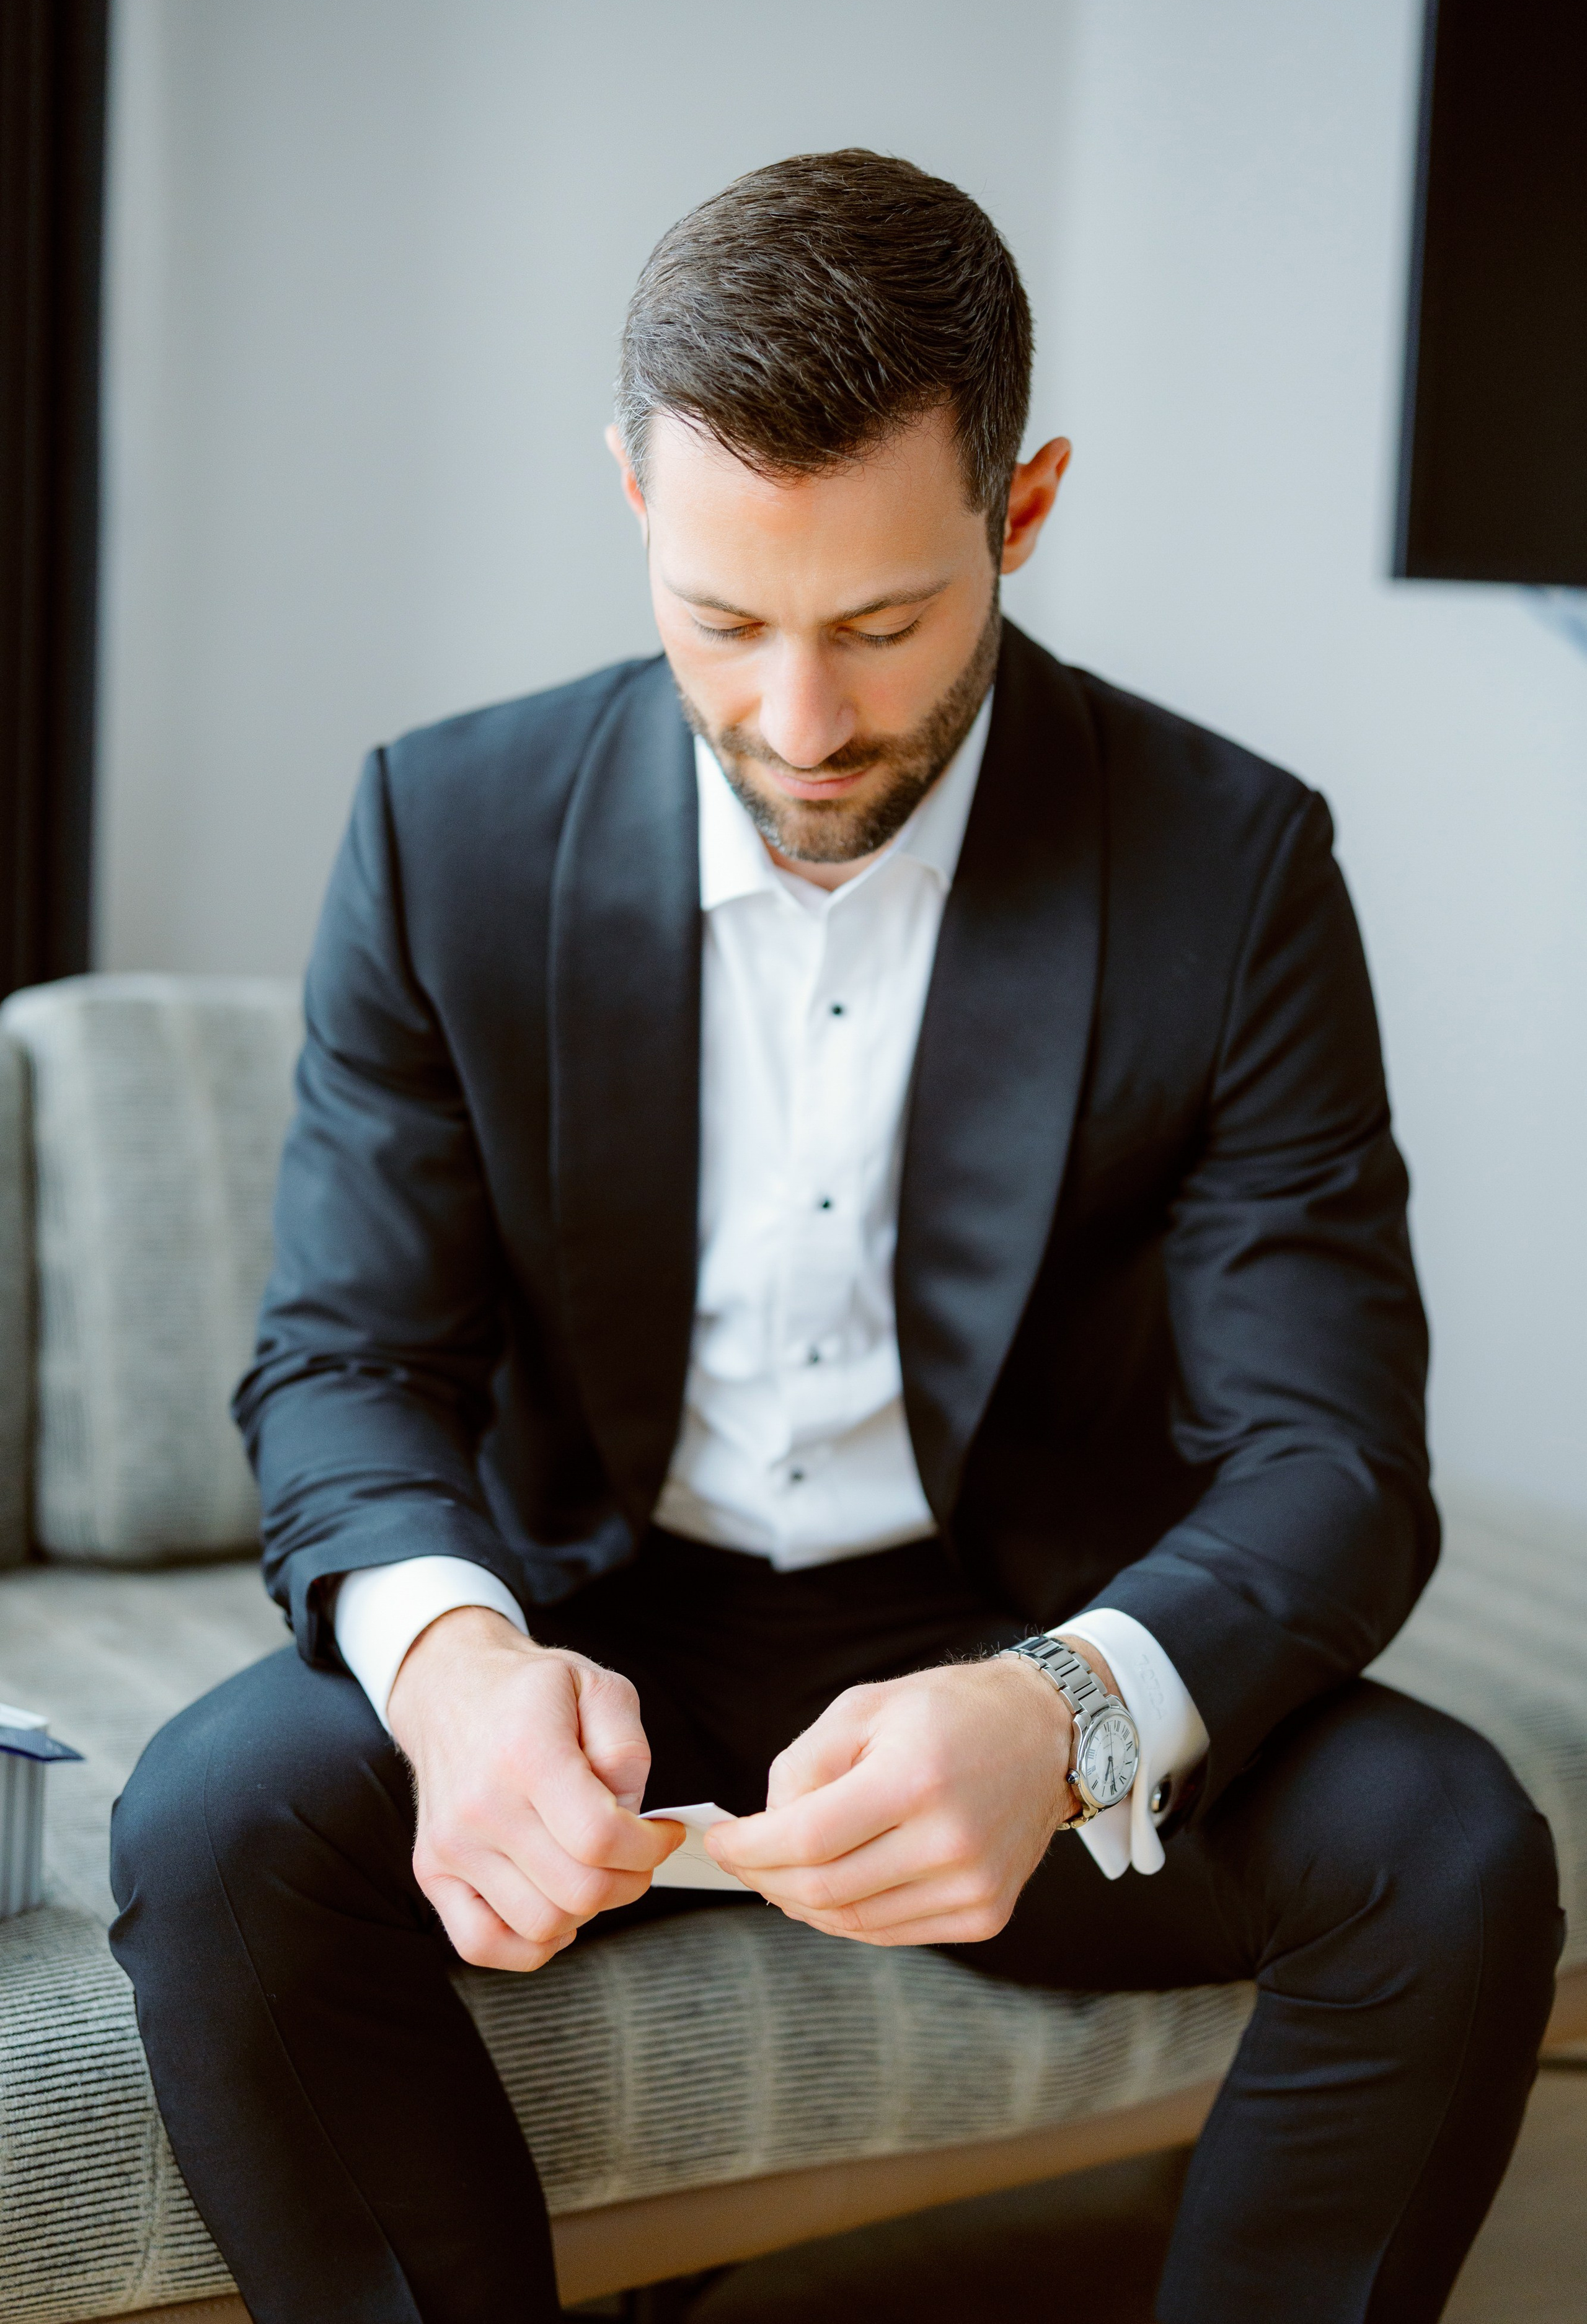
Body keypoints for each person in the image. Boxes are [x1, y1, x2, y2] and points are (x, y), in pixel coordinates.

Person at [110, 150, 1561, 2324]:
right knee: (217, 1821)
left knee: (1456, 1857)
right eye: (724, 622)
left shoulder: (1231, 865)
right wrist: (464, 1673)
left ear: (1027, 507)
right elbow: (349, 1369)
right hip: (593, 1650)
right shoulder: (446, 834)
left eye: (884, 625)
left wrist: (1067, 1708)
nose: (801, 727)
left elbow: (1334, 1460)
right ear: (633, 500)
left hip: (1014, 1637)